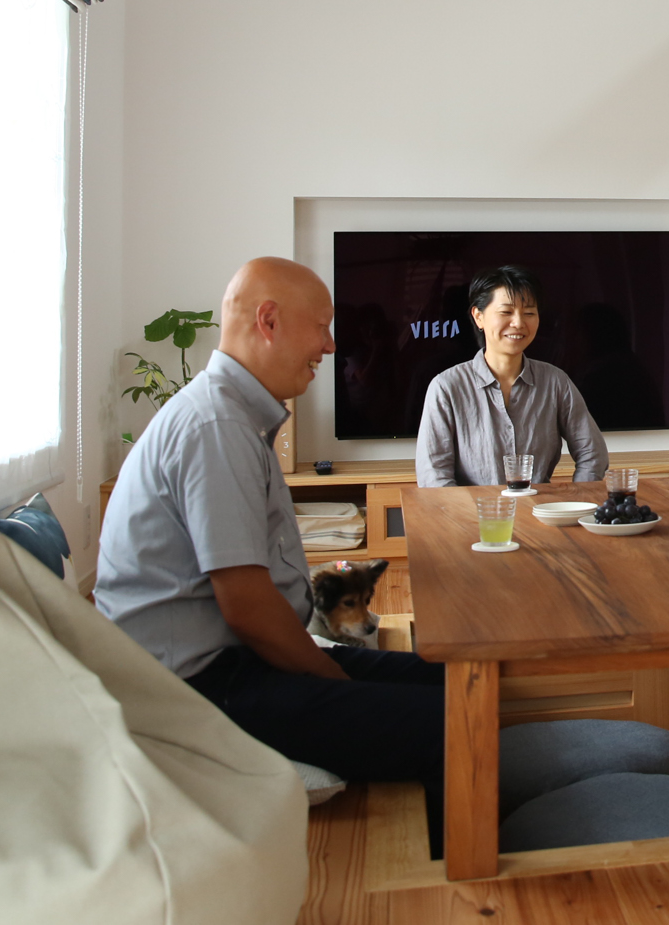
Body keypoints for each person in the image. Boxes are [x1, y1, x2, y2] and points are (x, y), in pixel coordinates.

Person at [96, 257, 445, 785]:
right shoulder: (216, 426)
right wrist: (329, 675)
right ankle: (466, 861)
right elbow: (246, 604)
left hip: (236, 661)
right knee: (447, 722)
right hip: (198, 687)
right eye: (323, 327)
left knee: (451, 680)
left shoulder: (227, 415)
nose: (330, 346)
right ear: (269, 321)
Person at [415, 265, 609, 487]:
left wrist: (574, 503)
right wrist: (469, 517)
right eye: (506, 312)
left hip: (541, 516)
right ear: (478, 317)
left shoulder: (556, 382)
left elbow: (592, 454)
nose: (518, 323)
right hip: (473, 518)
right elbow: (434, 474)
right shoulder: (447, 386)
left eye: (529, 313)